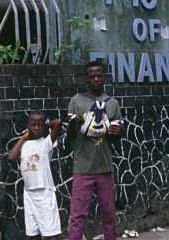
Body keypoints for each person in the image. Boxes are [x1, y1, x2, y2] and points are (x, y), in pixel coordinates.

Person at [66, 61, 123, 240]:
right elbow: (71, 137)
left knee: (109, 215)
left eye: (99, 76)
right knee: (77, 217)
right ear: (86, 79)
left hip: (105, 167)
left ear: (104, 77)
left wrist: (119, 131)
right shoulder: (76, 101)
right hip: (83, 167)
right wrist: (73, 124)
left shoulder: (112, 103)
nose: (96, 79)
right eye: (92, 76)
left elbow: (115, 138)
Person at [8, 111, 64, 240]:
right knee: (33, 233)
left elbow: (58, 122)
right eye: (33, 125)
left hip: (44, 192)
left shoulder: (46, 142)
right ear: (28, 126)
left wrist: (46, 125)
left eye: (40, 125)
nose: (37, 128)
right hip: (29, 193)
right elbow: (11, 157)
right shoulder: (25, 144)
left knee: (51, 232)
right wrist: (23, 138)